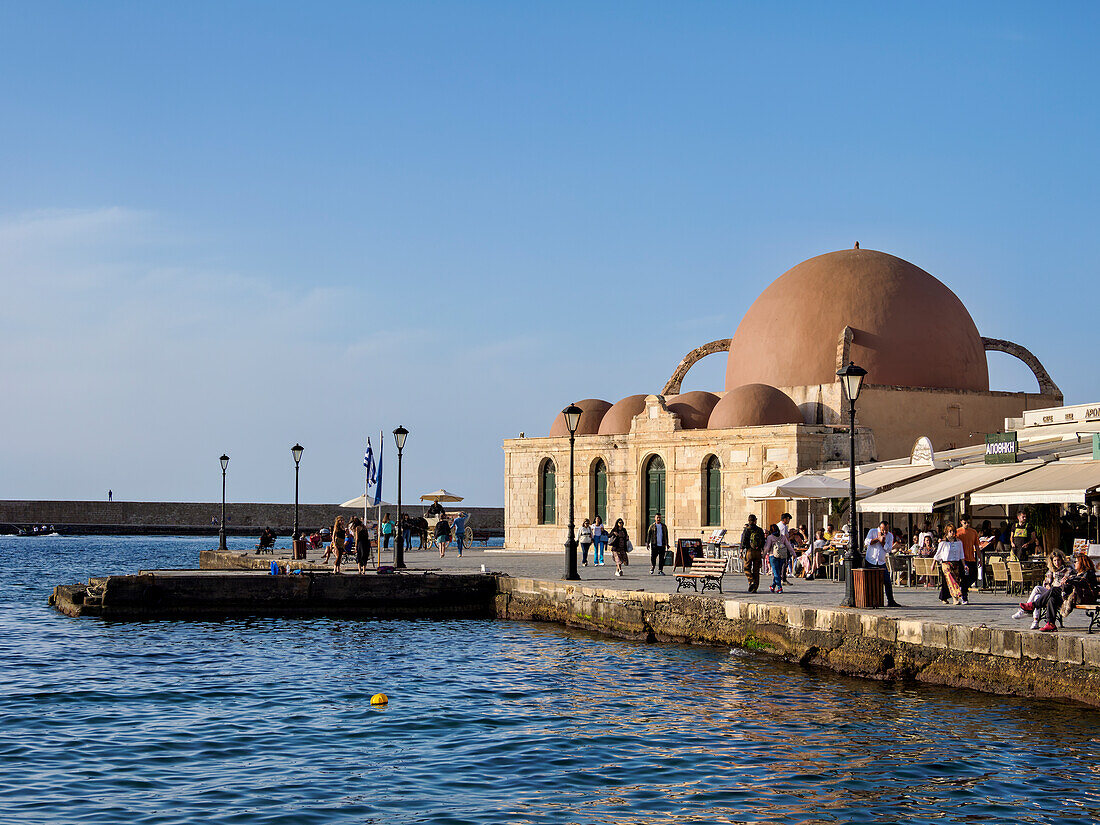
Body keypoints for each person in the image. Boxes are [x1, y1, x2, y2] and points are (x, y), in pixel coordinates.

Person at [863, 521, 902, 607]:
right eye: (883, 530)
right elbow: (866, 542)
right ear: (879, 527)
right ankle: (870, 601)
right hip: (871, 560)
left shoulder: (890, 536)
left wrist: (883, 542)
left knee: (887, 581)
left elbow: (888, 550)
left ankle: (891, 601)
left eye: (887, 530)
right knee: (870, 582)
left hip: (881, 561)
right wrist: (877, 539)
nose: (885, 532)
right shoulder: (872, 531)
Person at [934, 523, 966, 605]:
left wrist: (964, 565)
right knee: (952, 581)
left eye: (953, 531)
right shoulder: (943, 543)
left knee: (948, 582)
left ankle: (943, 597)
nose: (952, 533)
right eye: (950, 531)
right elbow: (938, 554)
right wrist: (933, 564)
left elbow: (961, 554)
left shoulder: (959, 542)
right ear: (947, 532)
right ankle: (955, 598)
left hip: (956, 563)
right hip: (946, 564)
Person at [1059, 553, 1098, 618]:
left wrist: (1069, 581)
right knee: (1051, 599)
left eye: (1076, 561)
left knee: (1053, 591)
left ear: (1082, 563)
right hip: (1075, 595)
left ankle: (1037, 604)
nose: (1074, 563)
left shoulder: (1088, 573)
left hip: (1084, 597)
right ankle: (1050, 622)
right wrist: (1065, 581)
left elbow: (1082, 583)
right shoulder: (1076, 573)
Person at [764, 524, 793, 594]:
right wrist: (793, 553)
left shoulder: (770, 537)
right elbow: (788, 545)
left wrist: (763, 555)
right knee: (778, 572)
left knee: (776, 573)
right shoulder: (782, 537)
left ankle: (780, 588)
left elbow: (767, 547)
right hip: (782, 556)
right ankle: (773, 586)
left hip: (773, 556)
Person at [740, 515, 766, 593]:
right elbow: (763, 541)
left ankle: (751, 581)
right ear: (755, 521)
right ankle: (755, 588)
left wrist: (741, 550)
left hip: (749, 551)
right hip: (757, 552)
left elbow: (743, 541)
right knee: (756, 570)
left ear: (749, 520)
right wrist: (761, 549)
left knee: (746, 568)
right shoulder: (760, 530)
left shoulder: (747, 530)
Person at [957, 516, 980, 596]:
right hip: (962, 558)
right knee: (964, 577)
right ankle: (964, 595)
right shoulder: (957, 532)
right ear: (961, 522)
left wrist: (979, 557)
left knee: (973, 576)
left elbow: (977, 545)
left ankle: (963, 588)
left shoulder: (973, 532)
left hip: (972, 558)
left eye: (968, 523)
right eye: (965, 523)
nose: (967, 524)